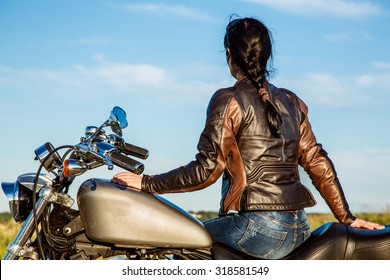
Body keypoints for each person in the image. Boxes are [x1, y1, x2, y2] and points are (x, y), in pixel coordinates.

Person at [112, 17, 384, 259]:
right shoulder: (291, 101)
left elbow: (206, 170)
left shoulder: (228, 100)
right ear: (267, 55)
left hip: (258, 229)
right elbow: (316, 160)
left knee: (174, 244)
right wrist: (347, 217)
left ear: (230, 55)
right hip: (299, 227)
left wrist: (146, 183)